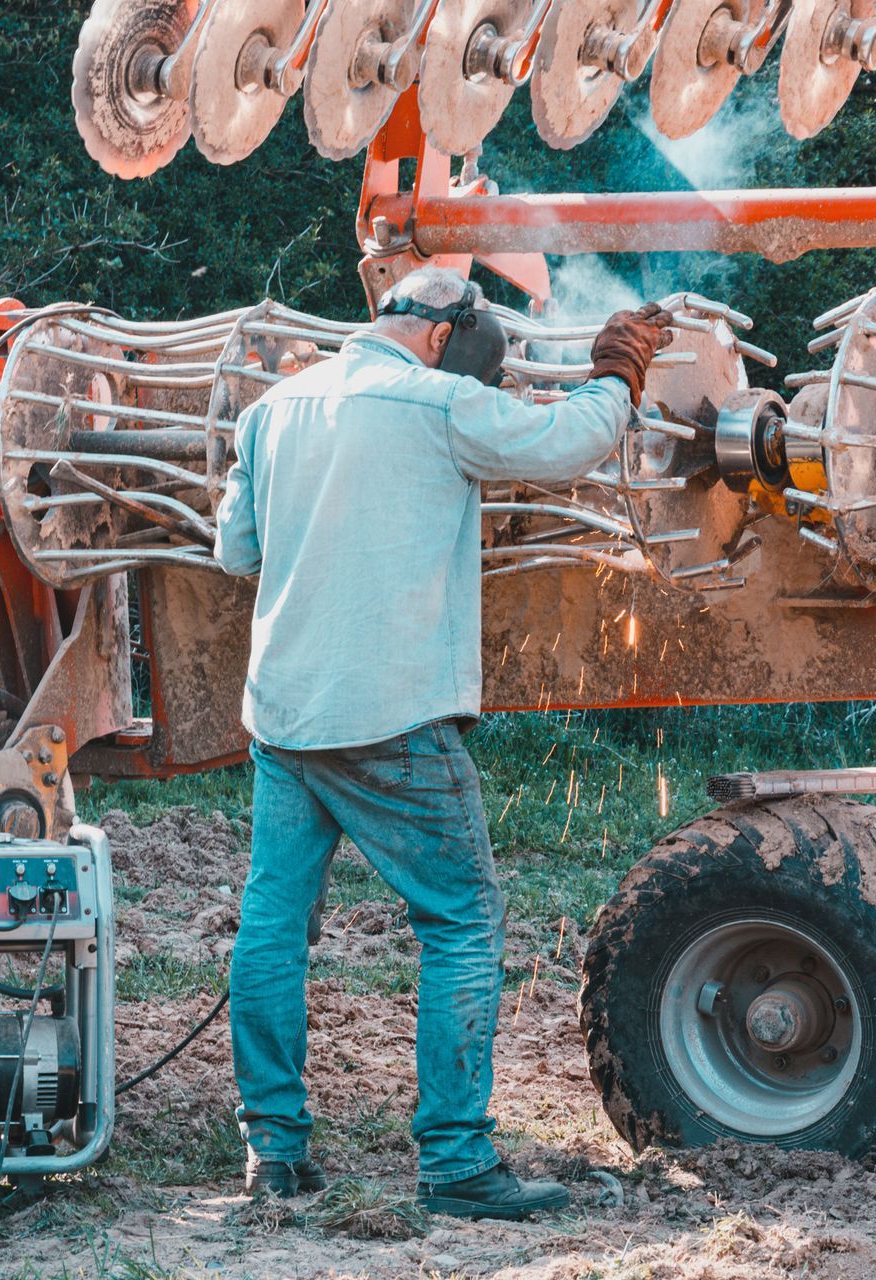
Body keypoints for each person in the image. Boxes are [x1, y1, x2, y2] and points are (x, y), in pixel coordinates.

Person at [212, 267, 672, 1220]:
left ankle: (275, 1152)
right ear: (440, 334)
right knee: (461, 924)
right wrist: (619, 375)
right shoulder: (436, 404)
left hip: (287, 720)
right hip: (393, 717)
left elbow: (237, 553)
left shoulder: (279, 405)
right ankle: (457, 1161)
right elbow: (568, 443)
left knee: (273, 929)